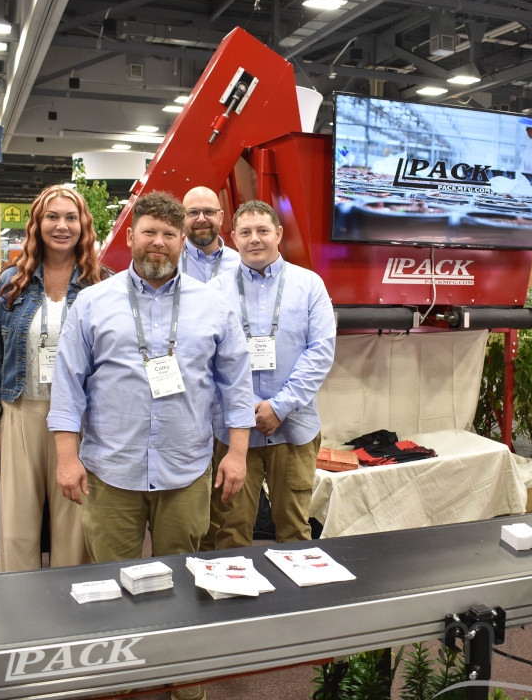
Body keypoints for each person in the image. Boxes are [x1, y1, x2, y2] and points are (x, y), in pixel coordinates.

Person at [48, 190, 255, 565]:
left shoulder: (214, 305)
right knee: (113, 577)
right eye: (149, 232)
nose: (159, 242)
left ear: (182, 240)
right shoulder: (92, 303)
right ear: (130, 237)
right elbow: (67, 386)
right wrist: (66, 458)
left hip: (185, 469)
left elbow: (236, 385)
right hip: (111, 470)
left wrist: (237, 454)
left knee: (180, 579)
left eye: (169, 234)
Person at [0, 185, 108, 572]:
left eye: (71, 217)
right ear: (37, 224)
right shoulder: (12, 281)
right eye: (52, 217)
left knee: (75, 525)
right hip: (21, 413)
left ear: (83, 225)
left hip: (81, 420)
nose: (62, 225)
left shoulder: (102, 284)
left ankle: (72, 599)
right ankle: (17, 602)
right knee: (17, 526)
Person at [201, 200, 336, 550]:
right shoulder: (214, 291)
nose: (254, 239)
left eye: (262, 230)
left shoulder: (310, 285)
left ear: (278, 233)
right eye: (245, 232)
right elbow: (207, 358)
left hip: (293, 428)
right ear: (233, 238)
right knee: (230, 530)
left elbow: (320, 352)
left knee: (294, 529)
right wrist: (245, 407)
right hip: (234, 431)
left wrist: (280, 406)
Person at [179, 186, 241, 283]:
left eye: (209, 212)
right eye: (193, 212)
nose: (201, 219)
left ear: (221, 217)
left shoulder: (239, 264)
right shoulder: (170, 264)